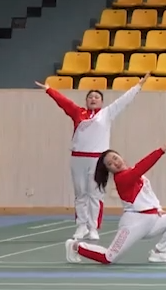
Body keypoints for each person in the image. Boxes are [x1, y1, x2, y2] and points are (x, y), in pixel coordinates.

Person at [37, 81, 144, 243]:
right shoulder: (77, 112)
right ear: (86, 101)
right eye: (90, 97)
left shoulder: (107, 113)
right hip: (78, 158)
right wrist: (49, 90)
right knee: (80, 193)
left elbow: (123, 100)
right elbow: (64, 102)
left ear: (102, 101)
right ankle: (81, 226)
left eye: (96, 97)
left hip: (98, 160)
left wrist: (137, 87)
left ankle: (93, 227)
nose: (93, 99)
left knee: (95, 194)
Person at [67, 134, 166, 266]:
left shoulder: (134, 174)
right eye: (110, 164)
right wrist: (162, 149)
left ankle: (160, 252)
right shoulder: (122, 178)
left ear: (121, 157)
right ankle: (75, 246)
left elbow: (147, 194)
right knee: (108, 258)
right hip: (134, 223)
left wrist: (158, 209)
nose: (115, 163)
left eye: (115, 158)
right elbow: (141, 167)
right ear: (109, 170)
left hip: (152, 220)